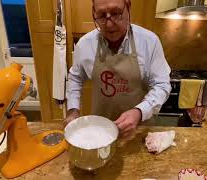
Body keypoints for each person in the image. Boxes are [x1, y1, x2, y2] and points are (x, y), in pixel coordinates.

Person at [64, 0, 171, 138]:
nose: (109, 24)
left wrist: (139, 112)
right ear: (93, 12)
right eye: (102, 15)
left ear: (128, 7)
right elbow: (75, 78)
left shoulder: (149, 42)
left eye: (116, 13)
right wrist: (73, 110)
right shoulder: (85, 44)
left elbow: (161, 85)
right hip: (100, 131)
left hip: (139, 132)